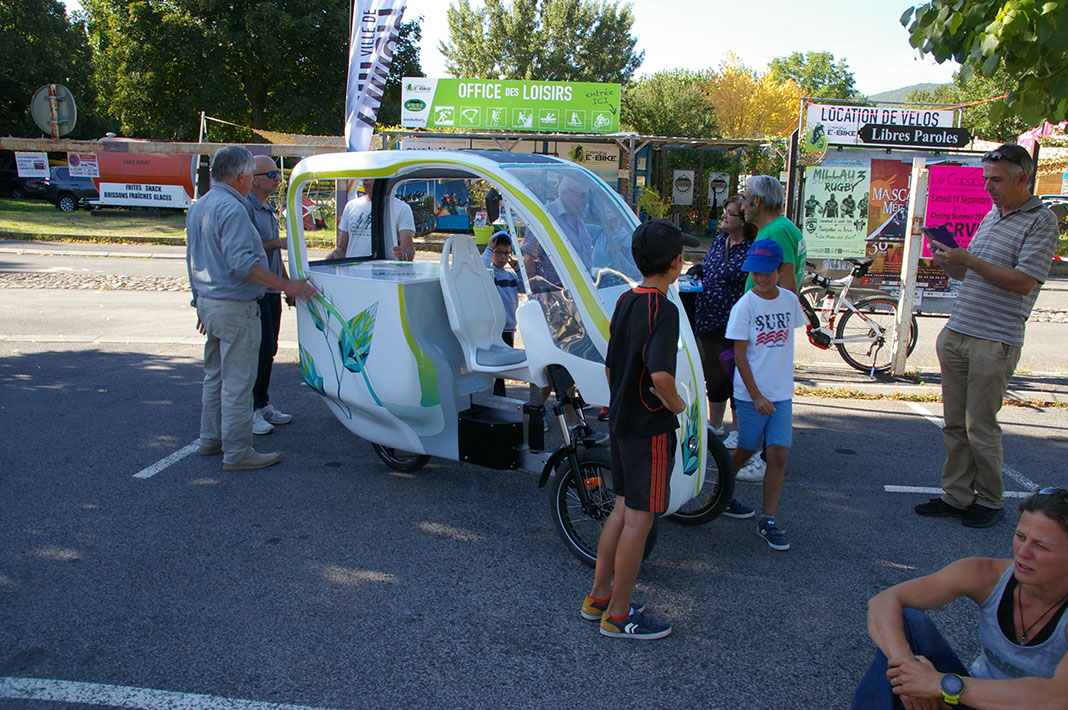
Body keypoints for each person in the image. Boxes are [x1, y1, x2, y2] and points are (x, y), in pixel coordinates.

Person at [914, 144, 1059, 529]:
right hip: (961, 328)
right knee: (954, 424)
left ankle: (991, 500)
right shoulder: (993, 216)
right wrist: (951, 261)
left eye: (996, 179)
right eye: (985, 179)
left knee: (981, 425)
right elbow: (970, 274)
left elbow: (1025, 282)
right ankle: (957, 495)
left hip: (994, 337)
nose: (988, 187)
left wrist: (970, 260)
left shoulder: (1041, 221)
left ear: (1022, 178)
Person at [582, 218, 699, 639]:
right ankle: (618, 614)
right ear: (676, 262)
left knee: (621, 511)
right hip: (649, 429)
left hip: (622, 422)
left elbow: (614, 365)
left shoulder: (626, 300)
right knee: (640, 520)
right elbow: (662, 377)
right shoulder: (664, 310)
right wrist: (681, 409)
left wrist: (624, 401)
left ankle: (598, 597)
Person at [852, 487, 1068, 709]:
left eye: (1040, 546)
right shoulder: (986, 574)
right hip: (971, 698)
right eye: (1020, 536)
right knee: (908, 621)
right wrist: (910, 672)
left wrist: (940, 684)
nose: (1023, 552)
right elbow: (882, 602)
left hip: (1021, 702)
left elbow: (1058, 698)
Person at [186, 146, 317, 471]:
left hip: (211, 302)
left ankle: (210, 439)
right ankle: (238, 451)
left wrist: (198, 302)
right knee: (238, 381)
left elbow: (192, 259)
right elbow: (244, 264)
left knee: (215, 376)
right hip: (236, 305)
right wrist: (288, 285)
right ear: (243, 176)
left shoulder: (200, 205)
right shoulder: (233, 209)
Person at [724, 239, 806, 551]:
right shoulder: (745, 306)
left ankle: (767, 519)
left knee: (778, 454)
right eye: (754, 273)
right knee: (745, 450)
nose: (760, 278)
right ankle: (721, 494)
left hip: (781, 391)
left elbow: (787, 344)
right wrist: (757, 395)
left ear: (780, 269)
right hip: (750, 394)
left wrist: (776, 390)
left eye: (766, 272)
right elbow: (740, 356)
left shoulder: (788, 301)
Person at [736, 175, 808, 483]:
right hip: (764, 324)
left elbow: (787, 282)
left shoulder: (776, 231)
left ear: (758, 202)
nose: (742, 203)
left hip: (763, 328)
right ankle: (758, 452)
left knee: (762, 391)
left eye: (745, 196)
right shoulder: (780, 227)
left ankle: (761, 457)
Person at [245, 155, 292, 436]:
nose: (278, 180)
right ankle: (249, 409)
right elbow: (251, 248)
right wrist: (279, 242)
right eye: (272, 175)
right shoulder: (245, 209)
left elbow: (275, 256)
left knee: (270, 350)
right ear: (254, 178)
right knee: (258, 351)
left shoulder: (268, 208)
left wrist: (286, 284)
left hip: (272, 288)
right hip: (257, 289)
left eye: (277, 174)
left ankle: (262, 404)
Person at [329, 179, 415, 261]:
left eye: (372, 177)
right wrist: (332, 258)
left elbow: (408, 250)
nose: (365, 179)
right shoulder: (351, 206)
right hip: (352, 274)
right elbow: (343, 248)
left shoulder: (402, 209)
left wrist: (403, 255)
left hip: (383, 274)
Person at [483, 232, 524, 397]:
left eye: (506, 253)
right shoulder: (489, 274)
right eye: (498, 252)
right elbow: (480, 269)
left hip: (509, 327)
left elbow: (524, 287)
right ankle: (497, 396)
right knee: (495, 366)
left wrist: (518, 269)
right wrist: (487, 248)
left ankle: (499, 394)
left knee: (505, 366)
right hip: (496, 327)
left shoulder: (510, 276)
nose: (502, 256)